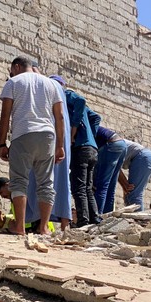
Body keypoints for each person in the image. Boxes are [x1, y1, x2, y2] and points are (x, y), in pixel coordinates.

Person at [0, 57, 65, 235]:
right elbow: (59, 117)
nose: (10, 74)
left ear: (17, 67)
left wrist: (2, 143)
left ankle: (19, 226)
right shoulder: (51, 84)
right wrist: (60, 146)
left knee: (19, 181)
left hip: (23, 134)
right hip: (47, 136)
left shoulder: (13, 82)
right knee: (46, 183)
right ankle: (43, 227)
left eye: (11, 70)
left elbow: (5, 115)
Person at [25, 74, 73, 231]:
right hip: (59, 144)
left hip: (48, 142)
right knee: (59, 181)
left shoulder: (51, 93)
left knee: (40, 179)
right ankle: (60, 224)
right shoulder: (62, 99)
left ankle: (41, 223)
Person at [64, 84, 102, 227]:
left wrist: (74, 131)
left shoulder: (65, 95)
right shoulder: (81, 111)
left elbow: (81, 100)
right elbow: (97, 117)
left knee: (78, 187)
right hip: (92, 148)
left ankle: (83, 221)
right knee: (87, 187)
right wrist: (91, 135)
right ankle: (94, 218)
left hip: (80, 148)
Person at [93, 126, 127, 214]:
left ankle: (97, 217)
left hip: (110, 144)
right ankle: (107, 216)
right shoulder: (90, 124)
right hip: (122, 145)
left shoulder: (78, 127)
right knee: (111, 186)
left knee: (101, 186)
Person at [118, 140, 151, 211]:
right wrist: (124, 185)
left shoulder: (103, 147)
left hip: (141, 157)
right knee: (130, 195)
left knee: (133, 194)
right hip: (146, 157)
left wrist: (125, 185)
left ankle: (139, 220)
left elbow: (115, 168)